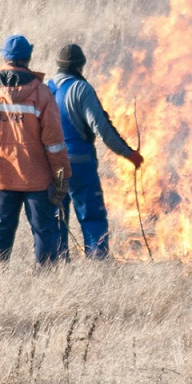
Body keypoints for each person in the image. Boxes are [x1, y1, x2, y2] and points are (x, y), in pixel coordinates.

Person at [0, 34, 71, 266]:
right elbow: (55, 144)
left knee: (1, 229)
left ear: (4, 56)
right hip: (36, 178)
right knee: (44, 230)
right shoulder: (42, 94)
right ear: (29, 57)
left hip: (2, 174)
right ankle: (46, 279)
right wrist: (61, 179)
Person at [46, 44, 145, 259]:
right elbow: (102, 128)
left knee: (56, 218)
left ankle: (57, 267)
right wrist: (129, 154)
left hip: (50, 165)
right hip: (79, 165)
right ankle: (97, 266)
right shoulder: (81, 89)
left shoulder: (45, 88)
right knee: (92, 217)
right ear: (81, 65)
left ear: (59, 65)